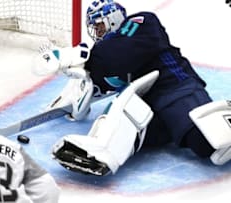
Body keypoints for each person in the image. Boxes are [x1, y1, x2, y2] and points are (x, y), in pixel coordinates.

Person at [35, 0, 231, 176]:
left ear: (113, 18)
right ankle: (101, 153)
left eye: (100, 25)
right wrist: (77, 89)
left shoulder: (142, 22)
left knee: (207, 143)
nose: (98, 32)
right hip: (151, 109)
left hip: (177, 92)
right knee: (121, 121)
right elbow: (100, 82)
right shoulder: (107, 56)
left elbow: (118, 55)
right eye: (95, 28)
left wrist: (79, 56)